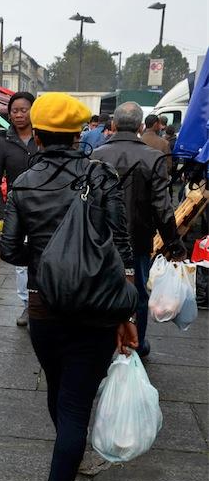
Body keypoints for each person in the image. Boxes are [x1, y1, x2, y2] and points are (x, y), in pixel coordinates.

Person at [0, 93, 138, 481]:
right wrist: (127, 309)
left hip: (44, 307)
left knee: (60, 392)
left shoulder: (23, 184)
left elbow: (7, 251)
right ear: (81, 132)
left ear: (36, 133)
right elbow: (121, 246)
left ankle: (68, 452)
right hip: (97, 310)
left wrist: (48, 259)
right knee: (75, 403)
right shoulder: (101, 175)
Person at [93, 102, 187, 357]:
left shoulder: (96, 155)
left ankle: (102, 343)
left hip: (99, 239)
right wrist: (173, 243)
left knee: (99, 291)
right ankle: (137, 343)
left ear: (113, 125)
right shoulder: (153, 157)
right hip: (138, 238)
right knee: (137, 295)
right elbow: (162, 207)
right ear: (138, 126)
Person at [0, 92, 37, 327]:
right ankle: (28, 306)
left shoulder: (43, 138)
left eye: (23, 109)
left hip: (48, 209)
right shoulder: (3, 143)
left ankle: (46, 303)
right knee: (22, 264)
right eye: (14, 110)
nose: (18, 114)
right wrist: (1, 211)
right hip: (18, 211)